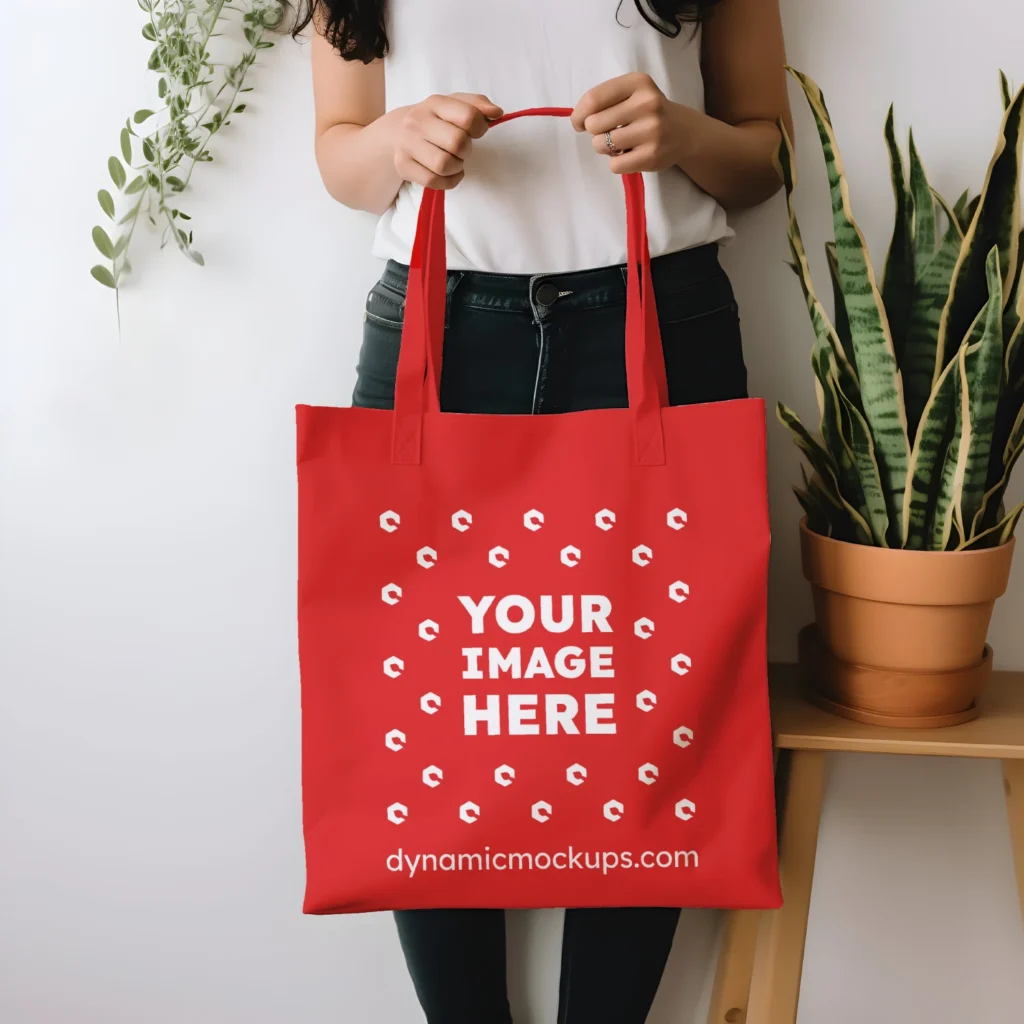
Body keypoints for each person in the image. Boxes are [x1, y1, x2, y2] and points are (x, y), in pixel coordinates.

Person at [296, 1, 791, 1021]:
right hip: (440, 324)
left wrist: (683, 134)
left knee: (653, 706)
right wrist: (396, 140)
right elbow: (339, 156)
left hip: (663, 312)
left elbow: (762, 151)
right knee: (428, 710)